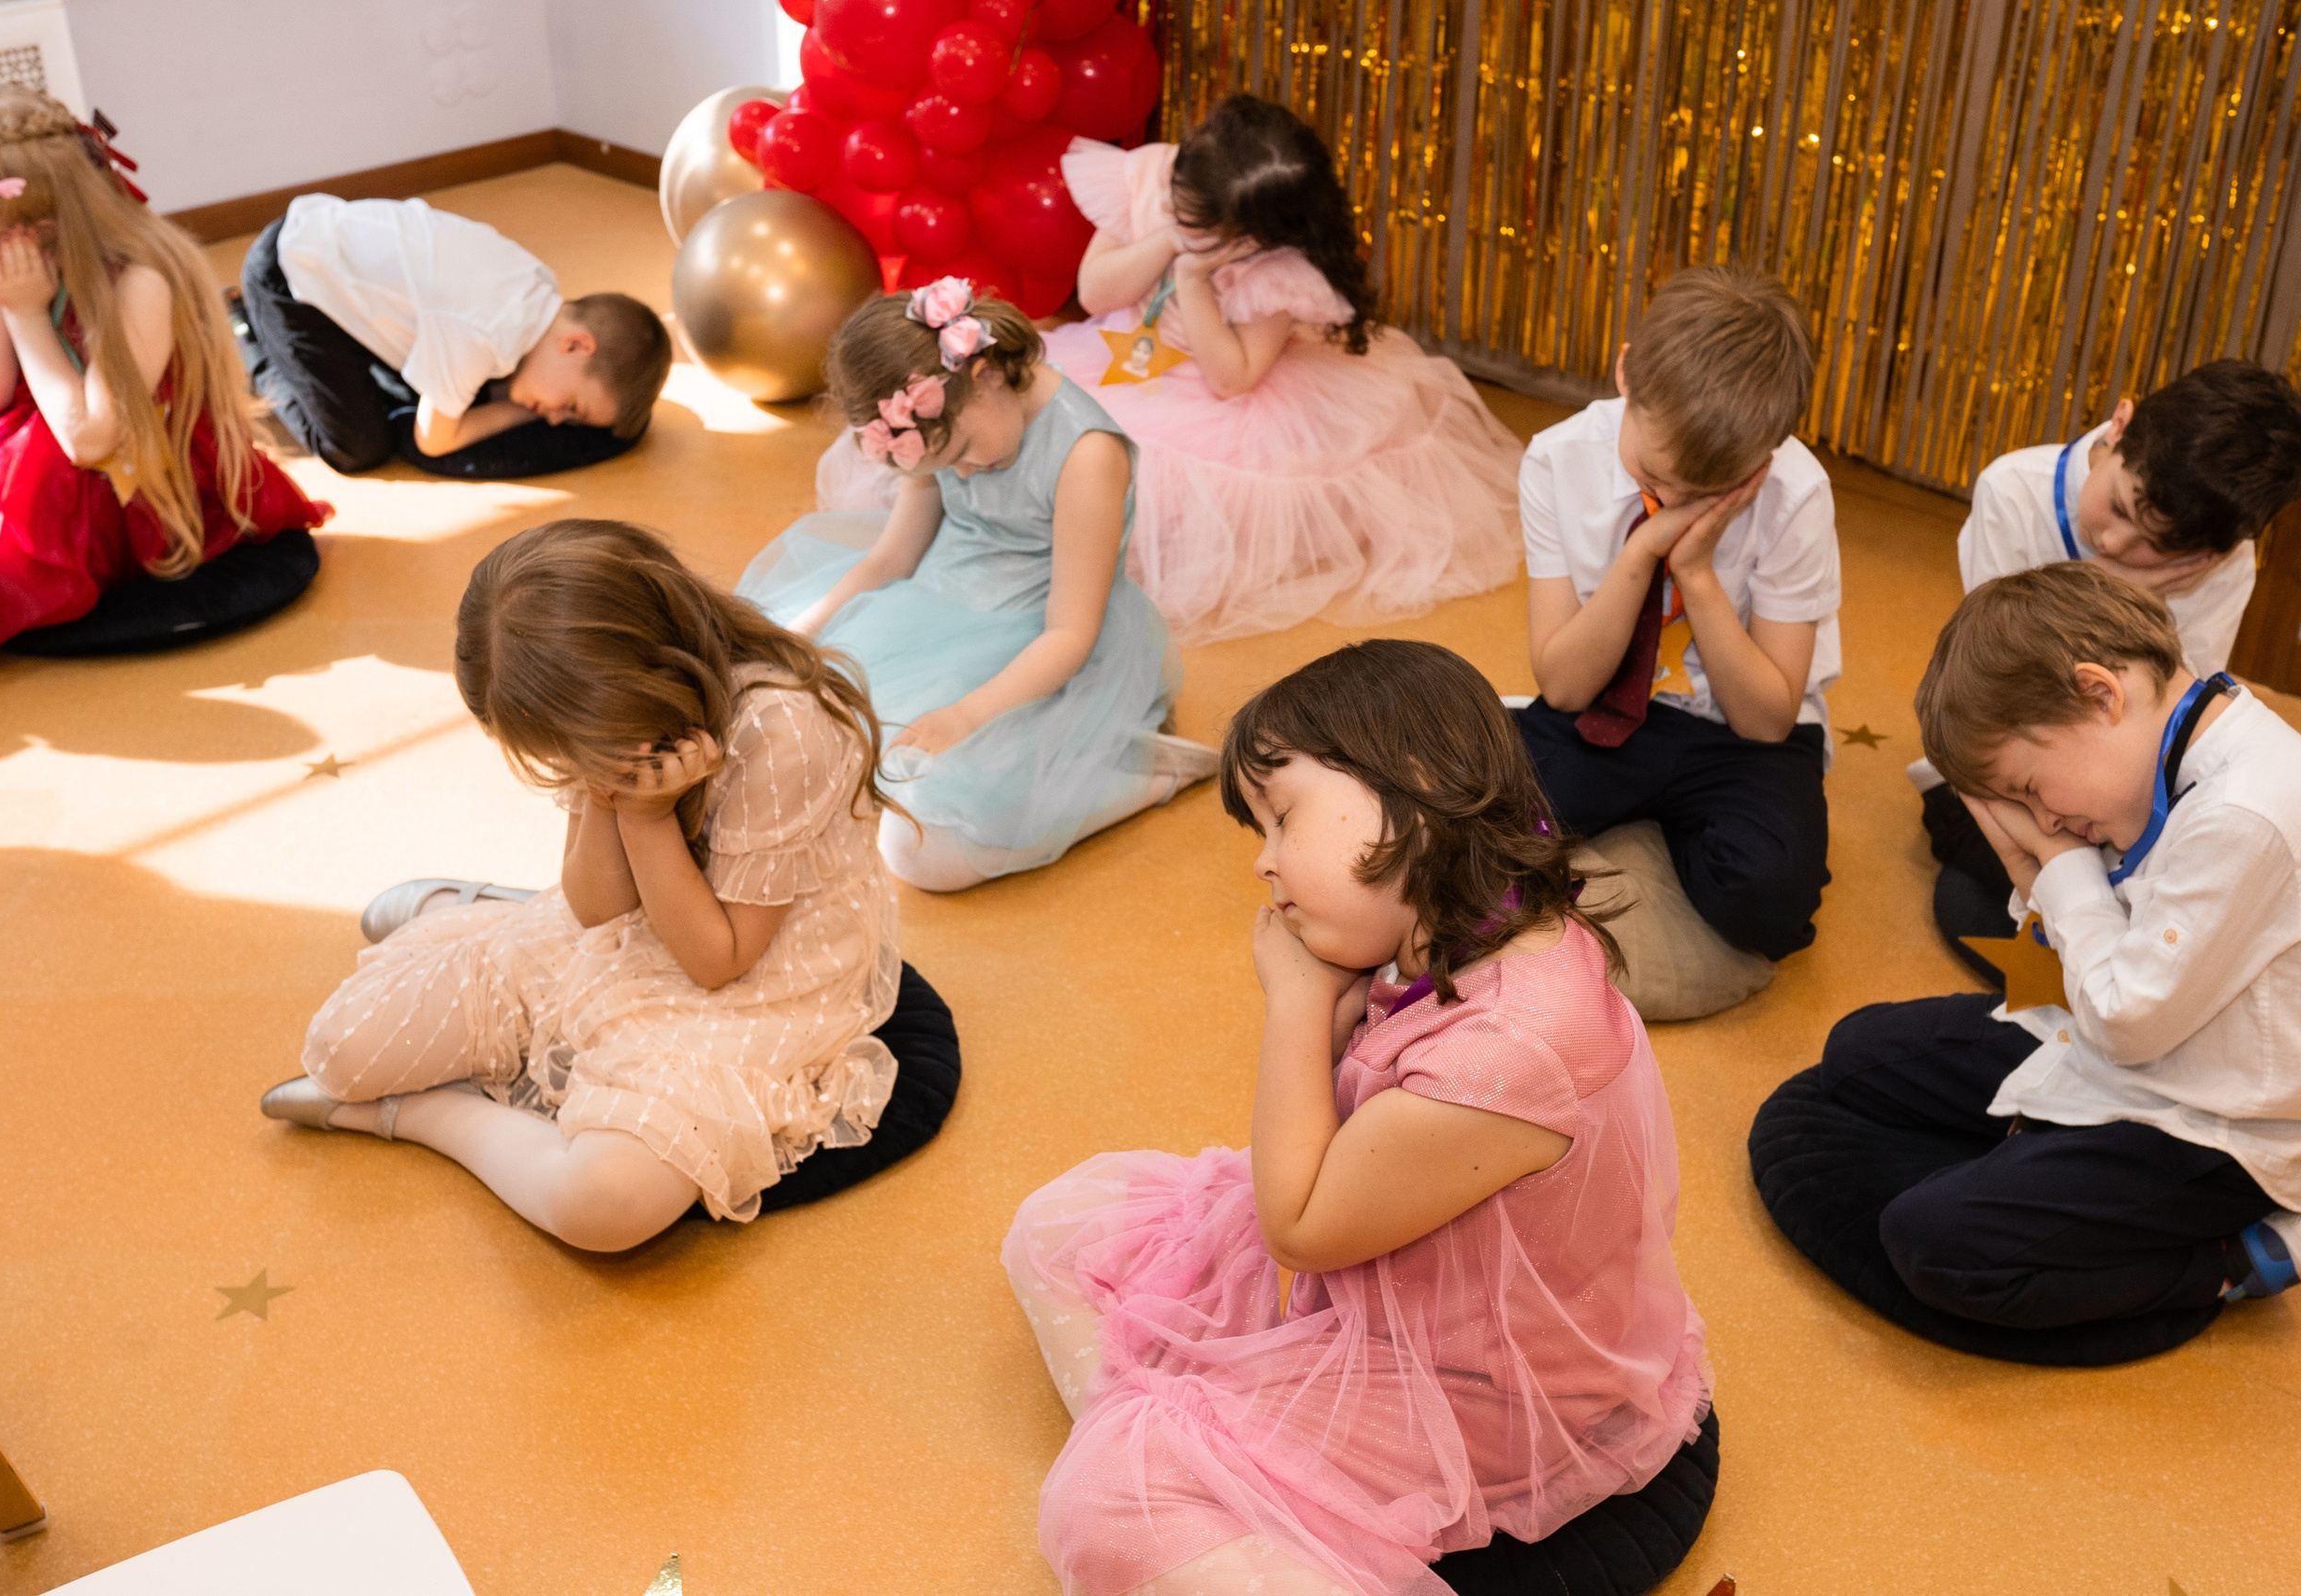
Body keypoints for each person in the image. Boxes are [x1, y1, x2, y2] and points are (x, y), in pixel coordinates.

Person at [1002, 640, 1713, 1596]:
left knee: (1109, 1499)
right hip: (1395, 1290)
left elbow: (1301, 1228)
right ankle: (1224, 1457)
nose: (1261, 862)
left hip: (1486, 1389)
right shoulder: (1456, 928)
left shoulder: (1508, 1049)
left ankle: (1223, 1474)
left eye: (1282, 816)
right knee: (1062, 1225)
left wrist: (1296, 1006)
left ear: (1413, 789)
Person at [259, 519, 907, 1249]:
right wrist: (616, 797)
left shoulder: (783, 730)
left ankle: (414, 1117)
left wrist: (648, 815)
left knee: (603, 1205)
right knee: (342, 1053)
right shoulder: (605, 711)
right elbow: (598, 909)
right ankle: (477, 910)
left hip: (754, 977)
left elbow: (717, 963)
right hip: (637, 928)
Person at [821, 96, 1523, 646]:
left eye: (1205, 224)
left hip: (1212, 387)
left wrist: (1194, 281)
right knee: (1012, 430)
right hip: (1124, 348)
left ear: (1253, 235)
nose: (1186, 220)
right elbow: (1095, 295)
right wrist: (1166, 237)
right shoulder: (1155, 177)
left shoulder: (1280, 271)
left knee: (1149, 496)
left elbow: (1234, 377)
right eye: (1182, 207)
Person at [1810, 563, 2301, 1330]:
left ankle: (2237, 1260)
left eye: (2033, 788)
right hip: (2110, 1038)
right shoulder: (2157, 753)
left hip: (2212, 1125)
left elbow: (2126, 1023)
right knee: (1857, 1054)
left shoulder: (2245, 814)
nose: (2044, 818)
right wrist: (2028, 867)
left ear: (2101, 693)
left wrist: (2061, 867)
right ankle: (2045, 1149)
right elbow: (2078, 974)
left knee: (1934, 1245)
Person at [739, 278, 1216, 892]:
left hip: (1036, 651)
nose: (962, 473)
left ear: (987, 372)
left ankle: (1138, 775)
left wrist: (963, 719)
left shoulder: (1087, 454)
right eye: (944, 466)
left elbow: (1069, 633)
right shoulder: (945, 424)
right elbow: (891, 560)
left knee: (923, 852)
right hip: (930, 615)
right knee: (771, 718)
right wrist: (804, 629)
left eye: (962, 450)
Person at [0, 85, 327, 692]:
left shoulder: (141, 279)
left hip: (128, 480)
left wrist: (27, 317)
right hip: (36, 440)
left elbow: (90, 441)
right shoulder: (24, 250)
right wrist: (2, 290)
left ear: (40, 224)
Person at [1916, 359, 2301, 979]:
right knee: (1973, 893)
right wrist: (2110, 590)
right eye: (2120, 507)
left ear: (2214, 554)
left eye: (2161, 548)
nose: (2118, 545)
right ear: (2119, 427)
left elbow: (2176, 725)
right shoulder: (2012, 490)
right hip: (2017, 760)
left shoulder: (2225, 565)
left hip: (2127, 782)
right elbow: (1991, 675)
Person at [1514, 263, 1839, 960]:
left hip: (1736, 733)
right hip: (1598, 706)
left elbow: (1766, 719)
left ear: (1770, 447)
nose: (1681, 500)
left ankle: (1659, 824)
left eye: (1712, 491)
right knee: (1486, 838)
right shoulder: (1556, 460)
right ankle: (1635, 812)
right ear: (1626, 374)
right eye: (1656, 479)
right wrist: (1641, 557)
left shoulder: (1799, 493)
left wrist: (1695, 571)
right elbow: (1566, 686)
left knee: (1770, 905)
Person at [231, 194, 672, 475]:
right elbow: (434, 440)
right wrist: (526, 414)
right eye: (572, 407)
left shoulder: (537, 287)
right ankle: (241, 327)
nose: (556, 419)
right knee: (355, 449)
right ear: (576, 345)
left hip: (335, 254)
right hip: (291, 278)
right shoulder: (481, 334)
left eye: (567, 420)